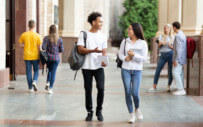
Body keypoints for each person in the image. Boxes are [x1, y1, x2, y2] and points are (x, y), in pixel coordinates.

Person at [77, 12, 108, 122]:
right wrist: (92, 51)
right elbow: (80, 49)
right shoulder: (84, 34)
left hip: (99, 67)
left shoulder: (103, 36)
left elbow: (104, 52)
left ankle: (99, 110)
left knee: (101, 88)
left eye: (102, 22)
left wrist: (104, 61)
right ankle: (89, 111)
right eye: (100, 22)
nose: (101, 24)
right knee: (88, 89)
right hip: (86, 66)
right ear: (93, 22)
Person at [118, 23, 148, 123]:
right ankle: (131, 114)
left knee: (135, 93)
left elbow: (144, 59)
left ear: (135, 31)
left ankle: (137, 108)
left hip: (137, 71)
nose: (128, 30)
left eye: (130, 29)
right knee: (127, 91)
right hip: (125, 69)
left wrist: (134, 55)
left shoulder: (143, 43)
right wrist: (125, 58)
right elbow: (120, 54)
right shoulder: (125, 41)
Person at [148, 24, 174, 93]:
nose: (166, 29)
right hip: (162, 55)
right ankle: (154, 86)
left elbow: (174, 48)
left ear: (170, 29)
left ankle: (168, 86)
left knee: (170, 71)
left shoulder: (173, 37)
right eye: (165, 28)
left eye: (167, 28)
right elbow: (158, 47)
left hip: (170, 55)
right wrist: (161, 43)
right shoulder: (160, 37)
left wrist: (169, 45)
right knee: (158, 70)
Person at [19, 20, 42, 93]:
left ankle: (30, 88)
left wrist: (25, 46)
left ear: (28, 26)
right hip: (35, 56)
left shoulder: (24, 35)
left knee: (28, 71)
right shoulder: (38, 35)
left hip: (27, 56)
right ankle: (34, 81)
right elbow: (39, 47)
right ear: (34, 26)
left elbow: (20, 45)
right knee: (36, 70)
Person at [42, 25, 64, 94]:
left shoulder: (46, 38)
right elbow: (62, 50)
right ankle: (50, 88)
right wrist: (57, 51)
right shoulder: (59, 39)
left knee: (49, 70)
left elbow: (43, 47)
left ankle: (48, 82)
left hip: (48, 58)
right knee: (53, 72)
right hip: (56, 58)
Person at [172, 21, 187, 96]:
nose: (173, 29)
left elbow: (178, 49)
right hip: (182, 57)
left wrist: (176, 60)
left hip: (179, 58)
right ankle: (180, 89)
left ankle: (181, 89)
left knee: (175, 72)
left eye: (173, 27)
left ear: (174, 27)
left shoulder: (178, 36)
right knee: (179, 73)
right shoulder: (182, 34)